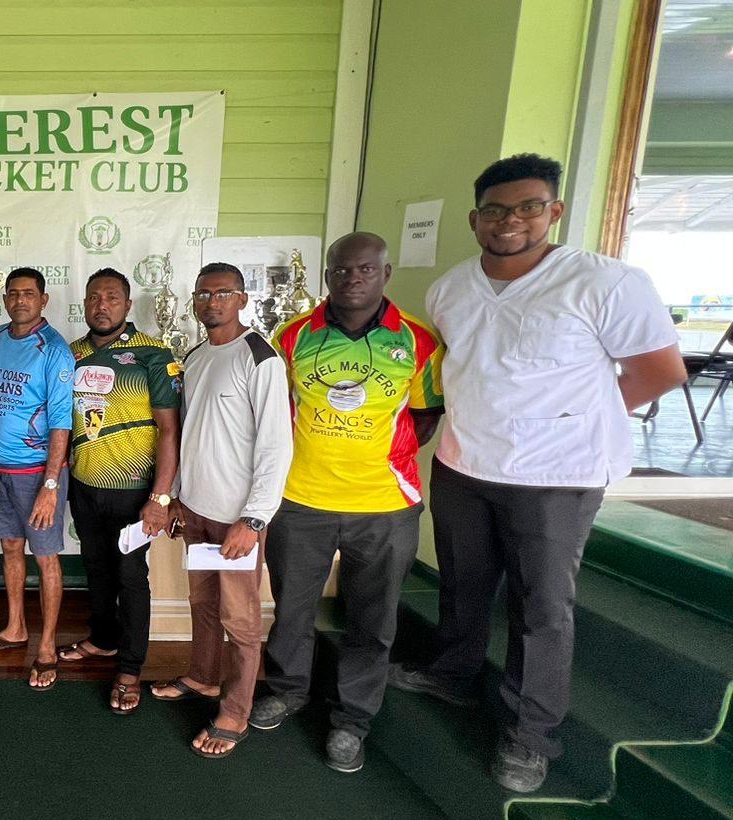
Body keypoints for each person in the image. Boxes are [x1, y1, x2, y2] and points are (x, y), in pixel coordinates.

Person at [389, 154, 686, 792]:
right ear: (475, 219)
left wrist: (575, 416)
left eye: (528, 207)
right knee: (463, 582)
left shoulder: (604, 282)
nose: (510, 221)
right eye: (495, 210)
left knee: (542, 605)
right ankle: (454, 675)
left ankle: (531, 734)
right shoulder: (451, 288)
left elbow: (659, 371)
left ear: (553, 211)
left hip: (558, 473)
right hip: (466, 463)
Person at [250, 232, 445, 774]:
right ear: (327, 275)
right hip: (301, 500)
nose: (351, 279)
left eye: (364, 269)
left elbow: (425, 416)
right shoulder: (293, 336)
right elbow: (275, 412)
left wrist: (373, 457)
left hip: (384, 505)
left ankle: (352, 719)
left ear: (385, 274)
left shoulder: (419, 341)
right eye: (340, 270)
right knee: (290, 609)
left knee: (372, 618)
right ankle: (289, 691)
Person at [152, 262, 291, 758]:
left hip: (237, 520)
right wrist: (177, 499)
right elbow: (193, 434)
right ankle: (203, 677)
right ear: (194, 301)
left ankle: (235, 711)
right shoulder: (194, 356)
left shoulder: (260, 358)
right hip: (198, 513)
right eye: (204, 294)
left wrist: (253, 520)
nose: (213, 302)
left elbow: (276, 447)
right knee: (203, 605)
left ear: (241, 300)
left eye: (223, 293)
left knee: (241, 619)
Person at [60, 267, 181, 715]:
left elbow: (171, 432)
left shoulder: (153, 354)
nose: (102, 305)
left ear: (128, 305)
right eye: (94, 297)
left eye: (112, 297)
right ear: (85, 303)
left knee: (131, 579)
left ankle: (130, 668)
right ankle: (103, 640)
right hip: (85, 485)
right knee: (96, 569)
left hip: (135, 491)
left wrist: (161, 497)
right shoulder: (70, 354)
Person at [0, 267, 75, 691]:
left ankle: (46, 646)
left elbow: (62, 423)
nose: (19, 301)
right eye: (12, 294)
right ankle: (15, 628)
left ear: (43, 300)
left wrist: (50, 486)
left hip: (37, 475)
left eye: (28, 294)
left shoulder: (54, 351)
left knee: (45, 558)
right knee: (11, 548)